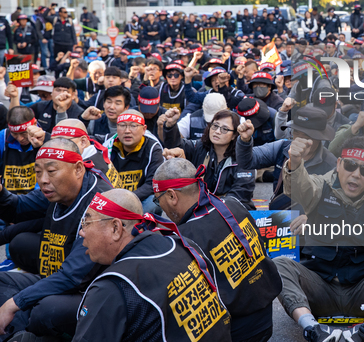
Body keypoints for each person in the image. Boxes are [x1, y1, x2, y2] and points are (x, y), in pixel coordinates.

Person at [276, 136, 364, 342]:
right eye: (350, 165)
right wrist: (295, 163)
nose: (356, 174)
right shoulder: (321, 183)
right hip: (319, 289)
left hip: (363, 293)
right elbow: (301, 190)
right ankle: (312, 328)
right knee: (279, 265)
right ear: (338, 164)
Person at [74, 189, 232, 341]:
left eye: (87, 223)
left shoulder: (113, 287)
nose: (82, 232)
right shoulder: (180, 243)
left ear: (116, 228)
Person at [153, 159, 281, 342]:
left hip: (235, 333)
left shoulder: (186, 237)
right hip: (266, 321)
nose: (160, 207)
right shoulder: (233, 203)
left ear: (172, 196)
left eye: (158, 199)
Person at [0, 139, 112, 339]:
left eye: (51, 171)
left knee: (44, 310)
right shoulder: (56, 190)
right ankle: (15, 334)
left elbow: (72, 276)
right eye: (38, 172)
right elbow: (16, 209)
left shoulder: (99, 203)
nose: (43, 179)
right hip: (55, 277)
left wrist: (14, 303)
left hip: (88, 293)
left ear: (78, 169)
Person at [237, 105, 338, 209]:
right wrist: (245, 141)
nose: (299, 139)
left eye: (306, 135)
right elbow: (246, 161)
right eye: (296, 132)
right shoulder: (282, 147)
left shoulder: (331, 165)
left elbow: (332, 206)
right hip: (280, 215)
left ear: (319, 138)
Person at [162, 109, 256, 210]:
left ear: (234, 135)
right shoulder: (199, 147)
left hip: (233, 211)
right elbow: (177, 146)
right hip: (204, 208)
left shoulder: (243, 156)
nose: (217, 131)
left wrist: (211, 206)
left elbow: (241, 193)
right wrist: (170, 125)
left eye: (225, 129)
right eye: (215, 126)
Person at [103, 110, 163, 212]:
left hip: (141, 200)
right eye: (122, 125)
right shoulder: (107, 144)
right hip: (114, 200)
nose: (127, 131)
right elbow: (83, 140)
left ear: (144, 129)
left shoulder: (153, 149)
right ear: (116, 128)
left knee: (153, 201)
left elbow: (151, 185)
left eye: (133, 126)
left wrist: (126, 200)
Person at [0, 107, 46, 194]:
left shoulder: (47, 141)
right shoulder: (3, 137)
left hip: (38, 199)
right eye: (14, 134)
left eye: (24, 133)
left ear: (35, 123)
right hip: (8, 199)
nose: (20, 138)